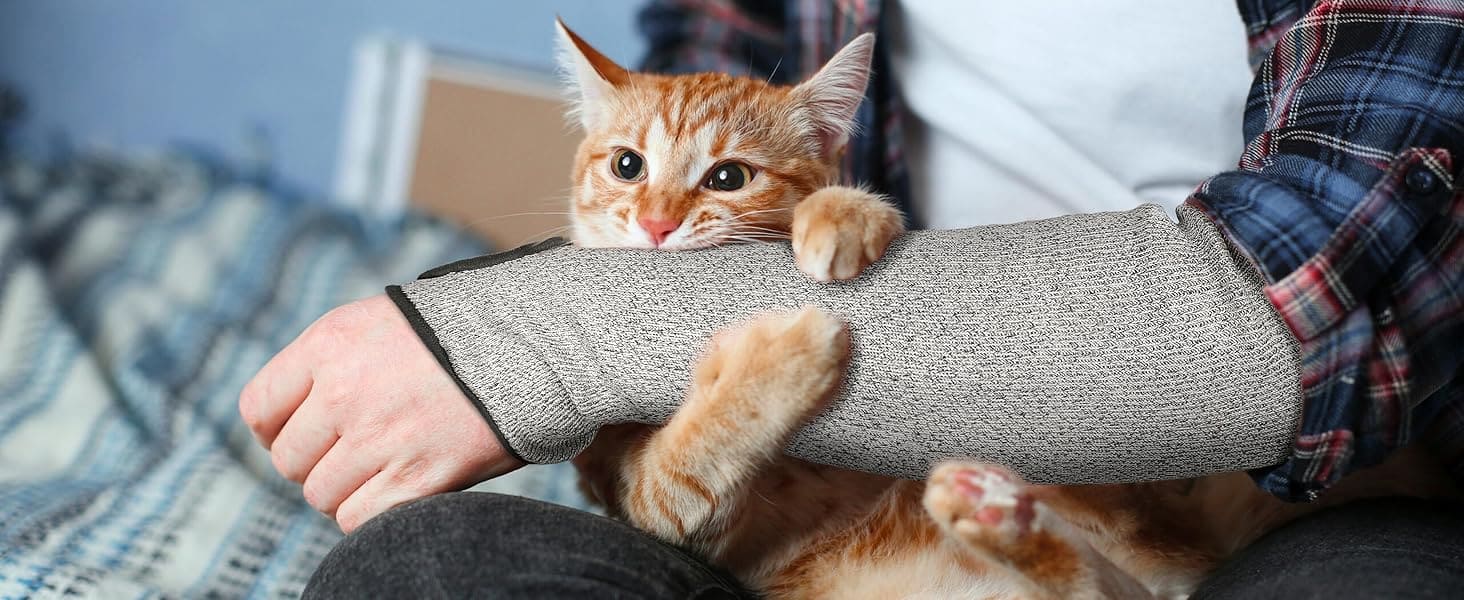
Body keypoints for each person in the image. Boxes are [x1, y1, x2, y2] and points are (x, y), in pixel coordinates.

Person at [239, 0, 1464, 597]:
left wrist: (543, 332)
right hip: (884, 472)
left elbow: (1310, 306)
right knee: (438, 570)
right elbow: (689, 90)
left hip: (1274, 470)